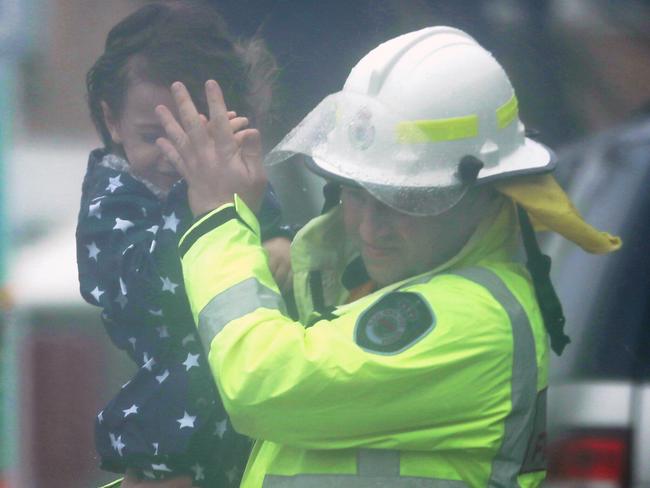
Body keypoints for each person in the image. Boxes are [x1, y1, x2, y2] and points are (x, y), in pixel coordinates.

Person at [154, 27, 621, 487]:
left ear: (485, 192)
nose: (370, 227)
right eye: (355, 192)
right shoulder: (387, 288)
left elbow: (259, 382)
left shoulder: (474, 318)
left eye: (406, 201)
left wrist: (218, 218)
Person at [75, 2, 292, 487]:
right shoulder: (110, 197)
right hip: (170, 414)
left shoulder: (229, 170)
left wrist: (279, 240)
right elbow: (142, 286)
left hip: (246, 396)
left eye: (196, 135)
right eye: (154, 135)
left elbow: (267, 212)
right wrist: (201, 198)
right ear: (113, 122)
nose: (176, 155)